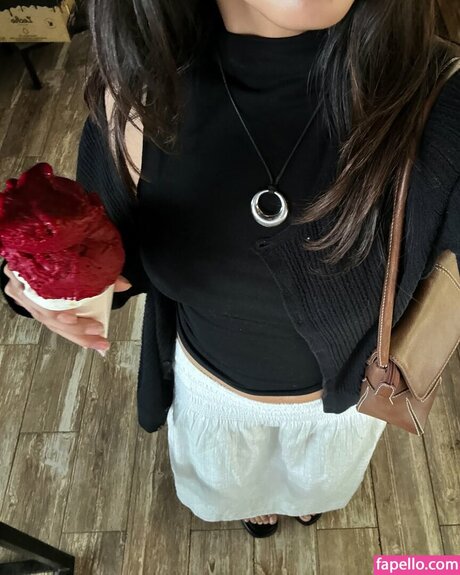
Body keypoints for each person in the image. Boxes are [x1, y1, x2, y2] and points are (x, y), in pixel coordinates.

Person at [1, 0, 460, 539]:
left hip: (345, 402)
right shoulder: (140, 100)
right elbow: (106, 264)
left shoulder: (441, 102)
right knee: (231, 480)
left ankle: (303, 497)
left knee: (317, 482)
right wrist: (41, 285)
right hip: (212, 392)